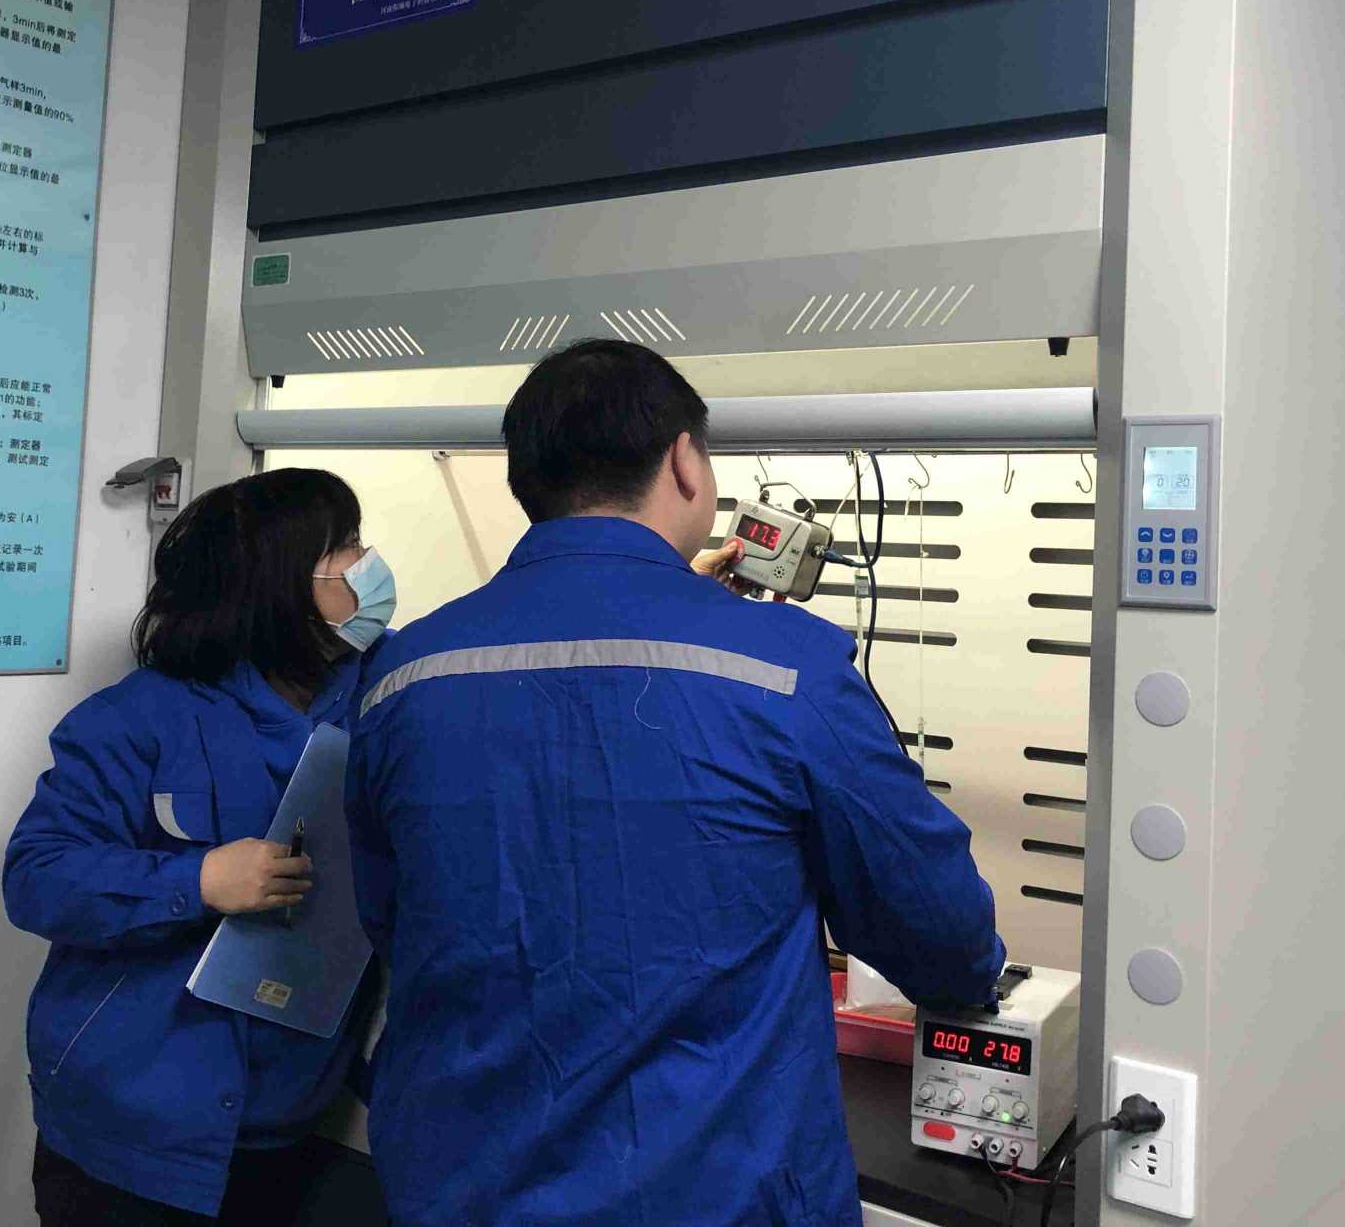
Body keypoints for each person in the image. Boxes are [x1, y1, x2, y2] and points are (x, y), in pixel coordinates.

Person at [346, 340, 1005, 1226]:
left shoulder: (402, 674)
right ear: (686, 462)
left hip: (459, 1185)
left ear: (525, 479)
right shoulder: (787, 669)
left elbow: (393, 917)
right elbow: (938, 931)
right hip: (711, 1192)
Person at [4, 468, 393, 1226]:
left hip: (297, 1121)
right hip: (128, 1134)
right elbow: (36, 876)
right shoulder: (139, 717)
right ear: (278, 583)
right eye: (345, 546)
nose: (367, 563)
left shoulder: (388, 693)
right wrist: (199, 879)